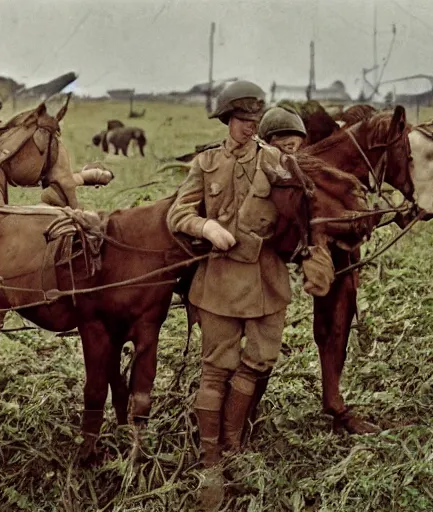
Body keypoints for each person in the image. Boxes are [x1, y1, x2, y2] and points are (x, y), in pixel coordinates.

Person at [166, 80, 294, 469]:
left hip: (266, 279)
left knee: (258, 361)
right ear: (227, 119)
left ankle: (233, 443)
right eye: (241, 119)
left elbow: (301, 208)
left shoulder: (276, 161)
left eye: (254, 119)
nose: (249, 126)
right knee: (215, 369)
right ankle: (210, 459)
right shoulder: (205, 164)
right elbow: (177, 214)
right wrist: (206, 228)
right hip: (219, 281)